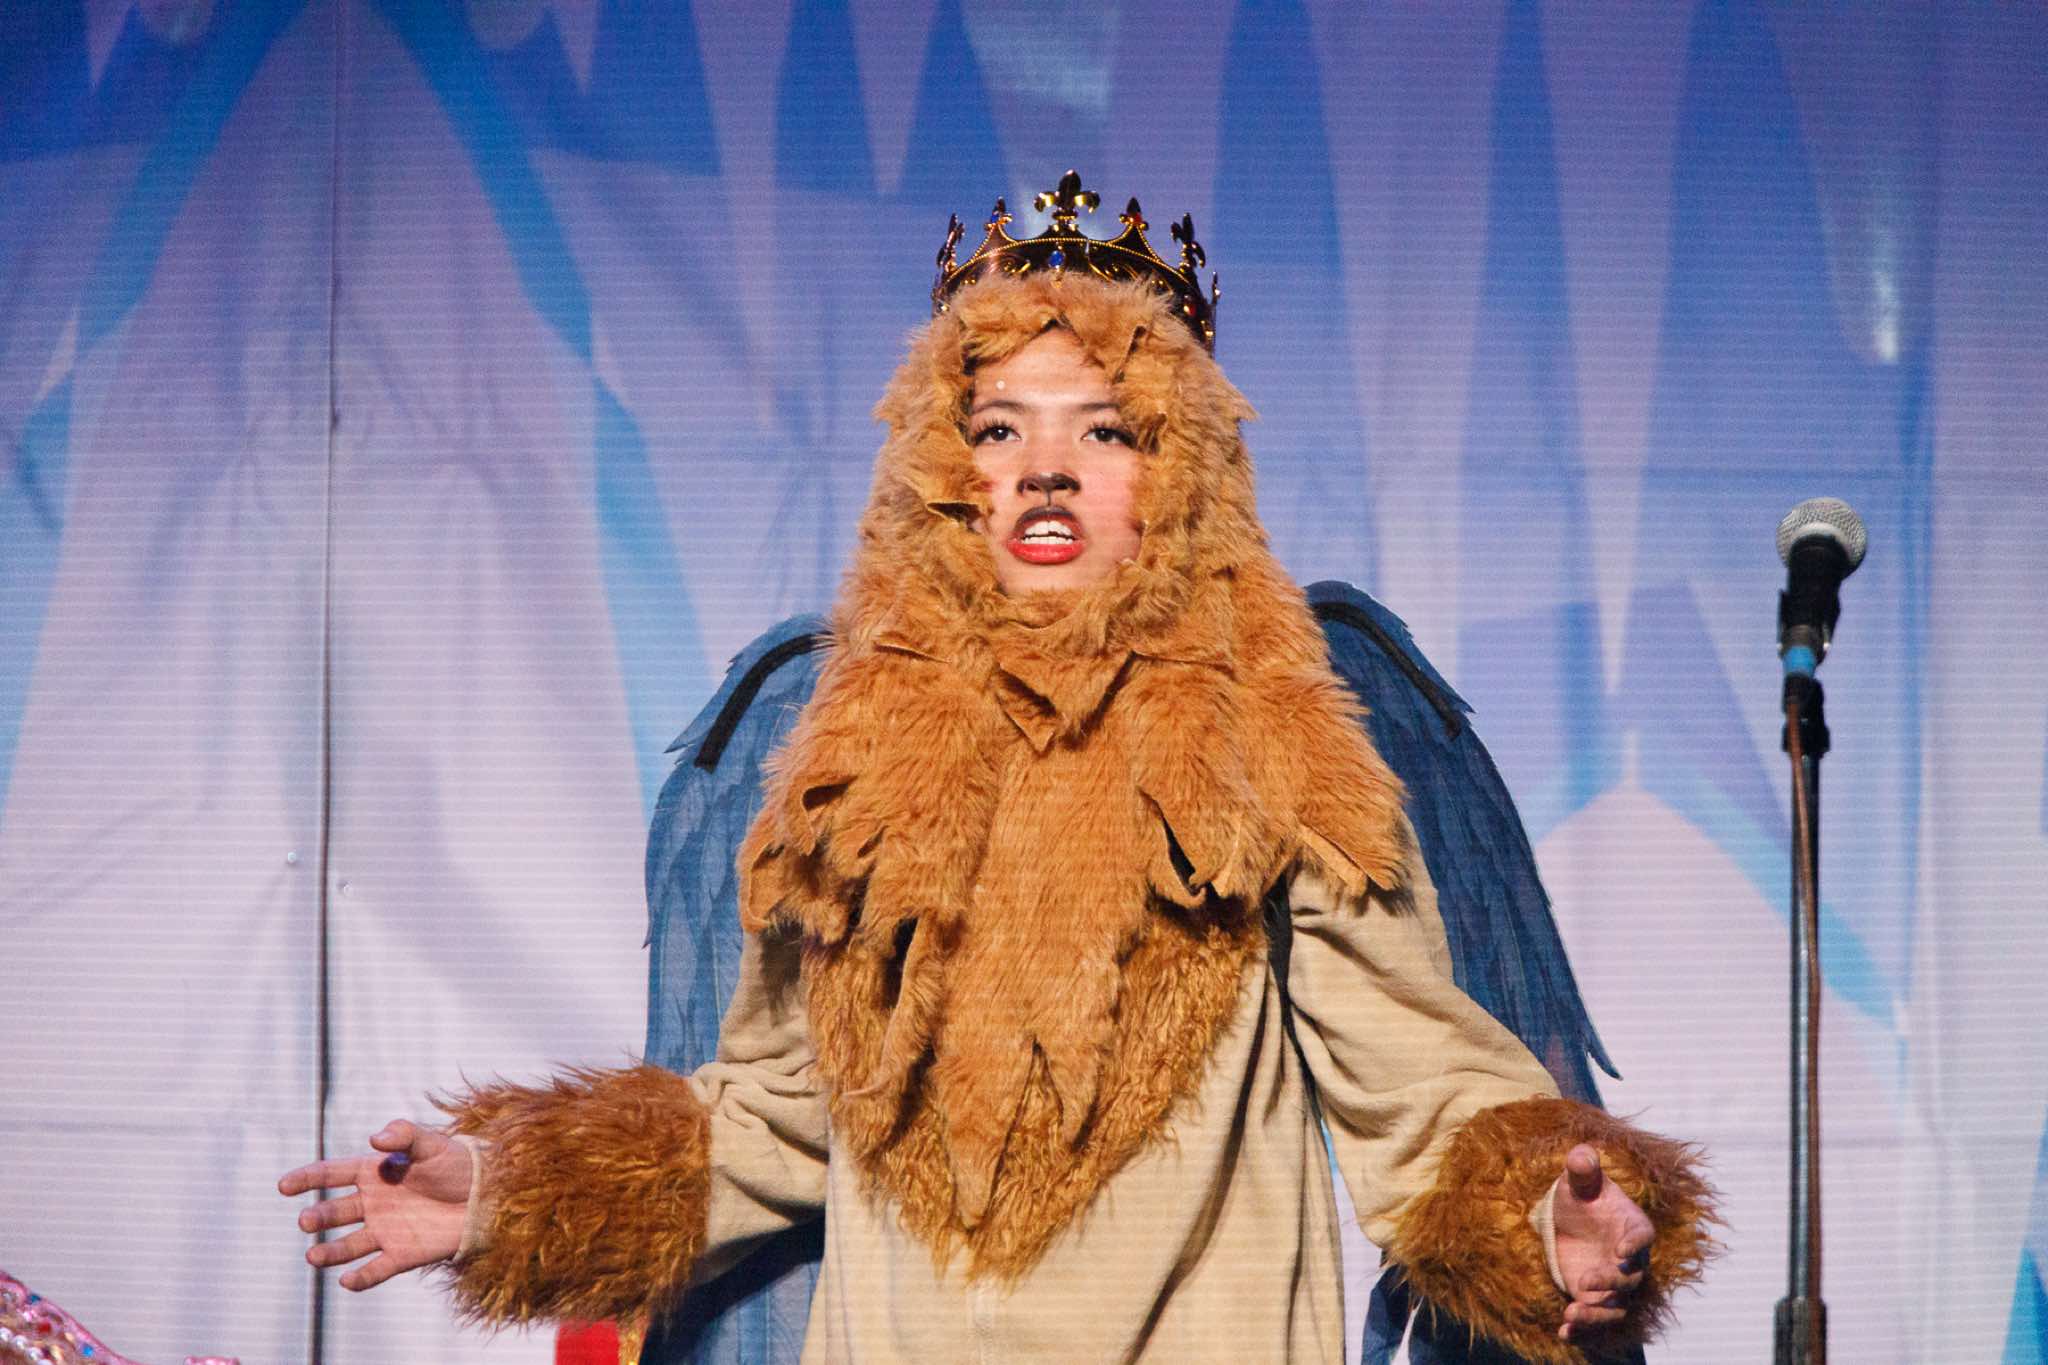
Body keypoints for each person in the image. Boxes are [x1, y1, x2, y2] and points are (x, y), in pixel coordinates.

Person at [280, 175, 1712, 1363]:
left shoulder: (1272, 746)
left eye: (1105, 429)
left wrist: (1548, 1214)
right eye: (998, 428)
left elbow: (1419, 1083)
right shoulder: (844, 760)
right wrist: (505, 1190)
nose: (1045, 467)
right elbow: (772, 1116)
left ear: (1183, 476)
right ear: (941, 471)